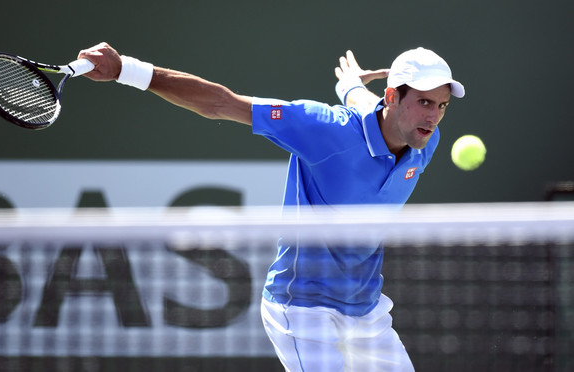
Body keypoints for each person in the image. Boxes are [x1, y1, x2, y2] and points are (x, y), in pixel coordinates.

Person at [77, 43, 464, 371]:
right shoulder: (322, 129)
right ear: (393, 96)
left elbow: (369, 104)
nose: (433, 116)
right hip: (302, 311)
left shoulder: (423, 138)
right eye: (425, 102)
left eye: (442, 106)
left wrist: (348, 86)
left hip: (366, 312)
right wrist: (125, 69)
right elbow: (221, 103)